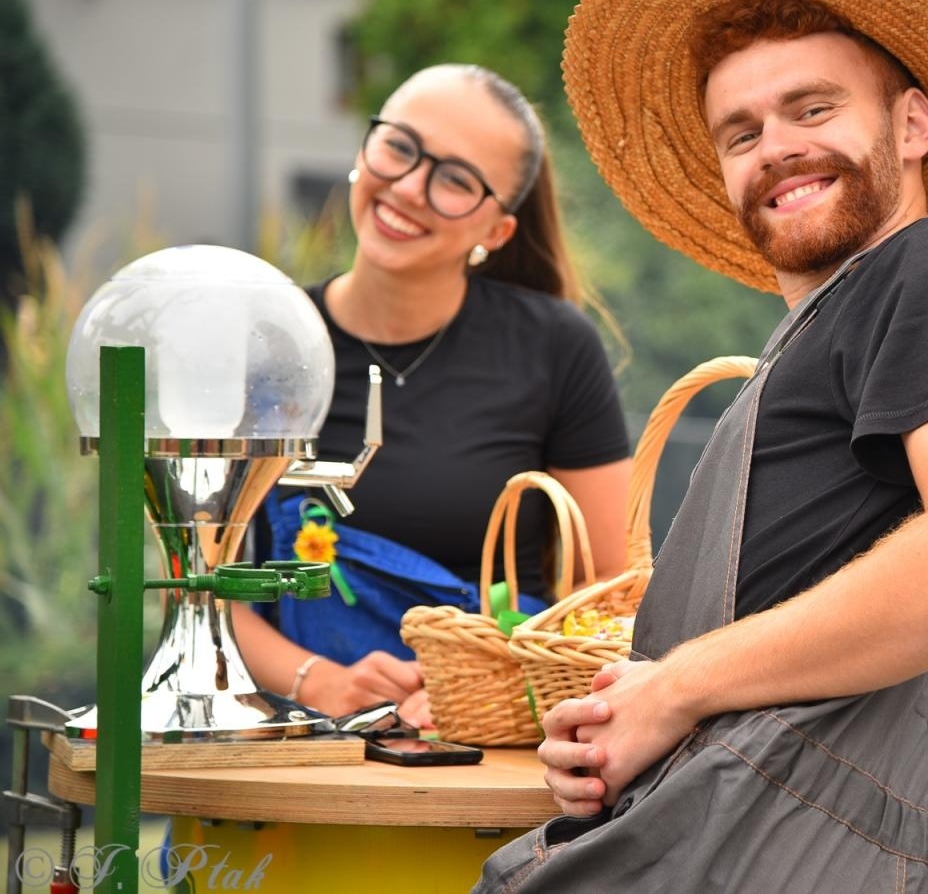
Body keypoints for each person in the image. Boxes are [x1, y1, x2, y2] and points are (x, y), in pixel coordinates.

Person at [475, 0, 928, 892]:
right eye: (743, 132)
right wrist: (619, 731)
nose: (778, 149)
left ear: (913, 125)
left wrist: (677, 689)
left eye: (813, 109)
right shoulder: (806, 342)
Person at [236, 63, 632, 724]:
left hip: (493, 744)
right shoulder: (267, 349)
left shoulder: (556, 348)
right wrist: (322, 684)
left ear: (496, 232)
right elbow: (194, 590)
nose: (411, 187)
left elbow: (610, 597)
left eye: (456, 180)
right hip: (299, 747)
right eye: (399, 146)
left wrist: (475, 688)